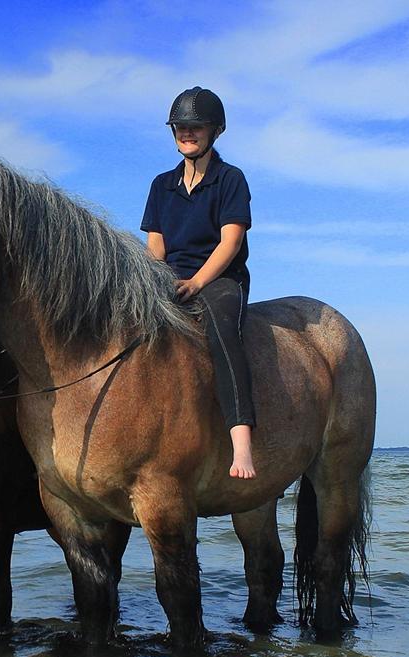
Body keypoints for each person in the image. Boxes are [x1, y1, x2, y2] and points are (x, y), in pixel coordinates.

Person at [140, 86, 256, 479]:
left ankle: (241, 443)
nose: (186, 133)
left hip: (219, 277)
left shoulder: (230, 179)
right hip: (170, 276)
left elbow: (231, 242)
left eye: (196, 126)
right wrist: (146, 283)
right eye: (180, 126)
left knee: (223, 328)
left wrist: (196, 283)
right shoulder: (161, 185)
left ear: (215, 131)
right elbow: (155, 245)